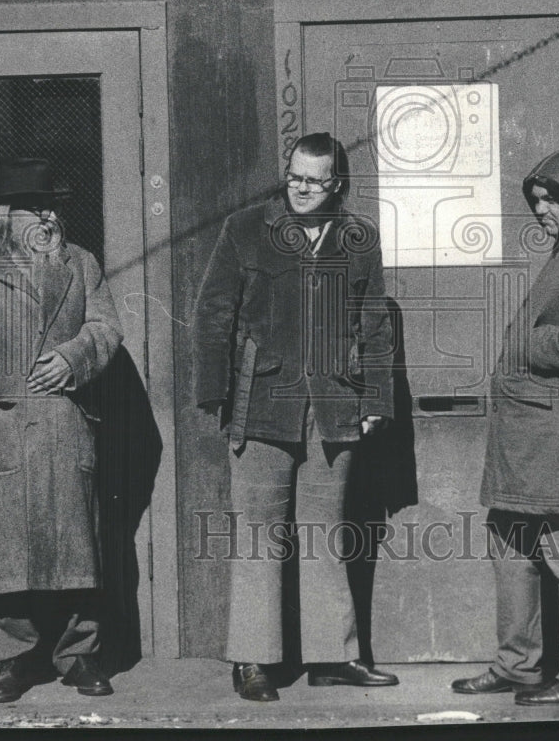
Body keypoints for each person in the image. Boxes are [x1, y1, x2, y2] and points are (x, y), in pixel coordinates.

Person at [193, 132, 399, 701]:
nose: (301, 189)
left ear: (338, 184)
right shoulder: (246, 229)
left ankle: (333, 656)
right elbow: (212, 312)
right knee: (260, 535)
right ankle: (253, 662)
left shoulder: (359, 240)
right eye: (294, 177)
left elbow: (374, 325)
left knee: (325, 535)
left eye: (314, 180)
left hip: (333, 409)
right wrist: (216, 393)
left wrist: (376, 400)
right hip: (261, 405)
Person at [0, 157, 123, 703]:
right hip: (4, 429)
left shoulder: (79, 263)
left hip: (65, 425)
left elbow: (106, 325)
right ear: (1, 214)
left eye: (51, 205)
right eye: (31, 206)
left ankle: (79, 655)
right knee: (6, 555)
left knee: (77, 553)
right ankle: (9, 660)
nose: (46, 215)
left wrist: (74, 357)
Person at [452, 141, 559, 706]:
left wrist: (529, 344)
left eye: (553, 199)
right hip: (534, 435)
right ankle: (519, 664)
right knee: (510, 542)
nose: (543, 209)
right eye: (538, 199)